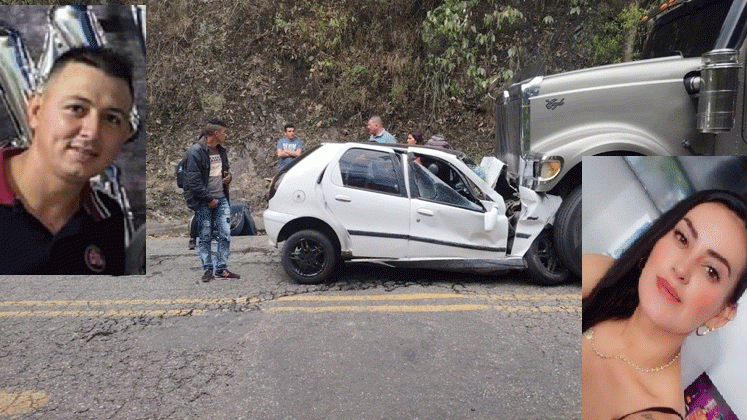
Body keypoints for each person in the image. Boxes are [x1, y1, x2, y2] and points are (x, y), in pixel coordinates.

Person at [582, 190, 747, 420]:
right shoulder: (601, 276)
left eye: (711, 271)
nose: (681, 268)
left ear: (721, 314)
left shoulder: (652, 413)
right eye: (682, 238)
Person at [0, 47, 136, 275]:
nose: (91, 132)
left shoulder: (107, 218)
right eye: (76, 109)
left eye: (112, 119)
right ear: (35, 111)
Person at [183, 118, 240, 282]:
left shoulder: (221, 150)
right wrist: (209, 199)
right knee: (205, 236)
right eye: (224, 132)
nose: (226, 135)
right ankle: (208, 269)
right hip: (204, 202)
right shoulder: (196, 152)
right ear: (216, 133)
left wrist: (228, 178)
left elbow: (224, 170)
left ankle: (221, 269)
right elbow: (193, 182)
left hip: (221, 198)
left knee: (225, 234)